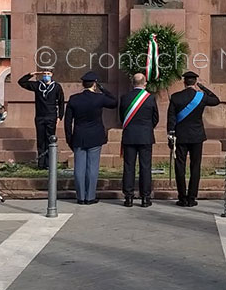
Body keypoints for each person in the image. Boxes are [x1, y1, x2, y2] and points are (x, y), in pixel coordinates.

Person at [167, 71, 219, 207]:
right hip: (196, 136)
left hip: (181, 136)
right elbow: (216, 100)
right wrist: (203, 88)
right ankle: (192, 197)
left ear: (184, 82)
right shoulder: (201, 97)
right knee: (195, 167)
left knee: (180, 167)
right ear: (195, 82)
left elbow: (171, 118)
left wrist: (170, 134)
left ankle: (182, 197)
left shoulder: (175, 97)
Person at [64, 71, 117, 205]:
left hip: (79, 136)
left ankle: (80, 197)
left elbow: (67, 122)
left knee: (79, 168)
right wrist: (103, 89)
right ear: (94, 83)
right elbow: (114, 102)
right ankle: (90, 197)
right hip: (95, 137)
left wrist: (69, 138)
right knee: (92, 167)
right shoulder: (99, 98)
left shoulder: (74, 99)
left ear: (83, 84)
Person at [119, 73, 158, 207]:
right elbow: (155, 118)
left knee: (129, 167)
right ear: (145, 83)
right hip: (145, 136)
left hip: (129, 136)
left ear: (132, 83)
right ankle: (145, 198)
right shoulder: (150, 98)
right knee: (145, 167)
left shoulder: (124, 98)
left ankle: (128, 197)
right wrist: (147, 128)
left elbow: (121, 117)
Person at [17, 69, 64, 169]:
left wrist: (60, 116)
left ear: (52, 74)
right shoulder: (38, 85)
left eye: (48, 74)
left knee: (50, 139)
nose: (46, 76)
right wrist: (31, 74)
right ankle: (41, 163)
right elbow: (21, 82)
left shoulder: (56, 87)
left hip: (51, 116)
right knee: (41, 140)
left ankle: (49, 163)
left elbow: (61, 102)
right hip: (40, 117)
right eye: (44, 74)